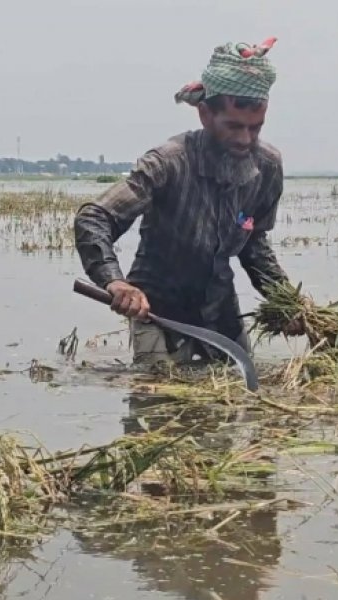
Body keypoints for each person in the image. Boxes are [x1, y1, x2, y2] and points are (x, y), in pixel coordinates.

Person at [74, 37, 303, 366]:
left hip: (220, 310)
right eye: (234, 126)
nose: (245, 139)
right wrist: (116, 282)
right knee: (157, 403)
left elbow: (253, 245)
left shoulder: (267, 166)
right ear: (205, 114)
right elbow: (94, 218)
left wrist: (286, 302)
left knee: (243, 402)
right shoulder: (168, 162)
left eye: (255, 128)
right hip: (157, 309)